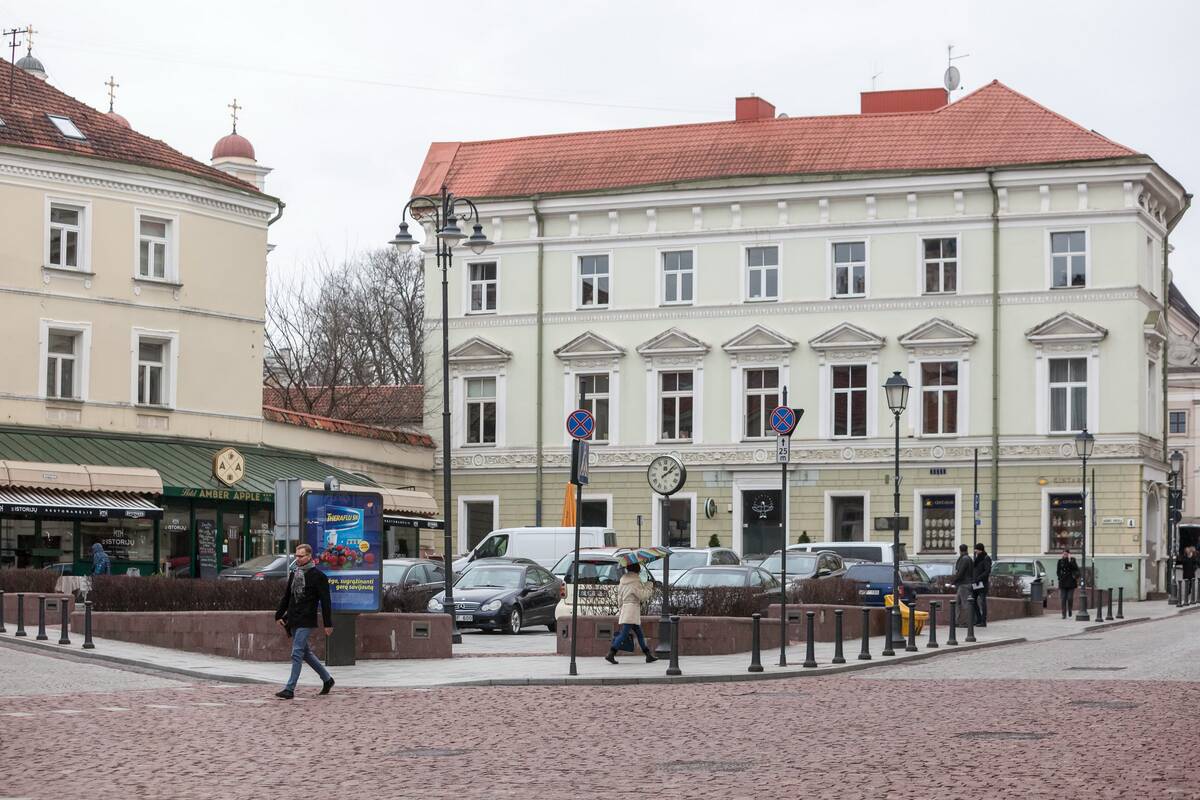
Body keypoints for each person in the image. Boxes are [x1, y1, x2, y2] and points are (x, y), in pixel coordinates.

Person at [274, 543, 334, 699]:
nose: (298, 559)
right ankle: (327, 679)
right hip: (293, 617)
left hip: (307, 618)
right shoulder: (295, 573)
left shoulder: (319, 576)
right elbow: (287, 596)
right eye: (296, 556)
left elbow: (326, 601)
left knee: (297, 652)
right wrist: (279, 614)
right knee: (305, 653)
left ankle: (289, 689)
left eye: (301, 556)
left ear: (309, 556)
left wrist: (328, 623)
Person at [605, 563, 657, 665]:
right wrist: (649, 586)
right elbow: (642, 596)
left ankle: (648, 655)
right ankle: (611, 653)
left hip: (626, 608)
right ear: (637, 570)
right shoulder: (635, 581)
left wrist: (621, 609)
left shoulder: (623, 580)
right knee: (624, 634)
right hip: (632, 610)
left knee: (640, 634)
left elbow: (619, 597)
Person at [952, 543, 974, 626]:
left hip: (964, 584)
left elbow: (961, 572)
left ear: (960, 550)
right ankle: (957, 621)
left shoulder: (964, 559)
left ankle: (967, 622)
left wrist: (954, 581)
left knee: (965, 604)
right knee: (956, 602)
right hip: (965, 583)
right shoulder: (968, 558)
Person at [972, 542, 992, 627]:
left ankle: (983, 621)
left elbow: (987, 571)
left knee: (982, 602)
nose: (975, 551)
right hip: (975, 583)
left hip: (982, 583)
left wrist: (978, 578)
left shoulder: (986, 558)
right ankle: (978, 619)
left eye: (976, 549)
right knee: (973, 601)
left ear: (980, 550)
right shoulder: (977, 558)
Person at [1056, 549, 1080, 619]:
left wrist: (1070, 560)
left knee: (1070, 598)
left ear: (1069, 554)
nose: (1065, 555)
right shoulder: (1060, 561)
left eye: (1066, 554)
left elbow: (1076, 568)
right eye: (1064, 554)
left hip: (1071, 582)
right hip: (1063, 582)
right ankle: (1063, 614)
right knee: (1063, 598)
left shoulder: (1072, 560)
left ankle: (1070, 609)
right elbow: (1058, 571)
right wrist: (1060, 577)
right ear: (1062, 554)